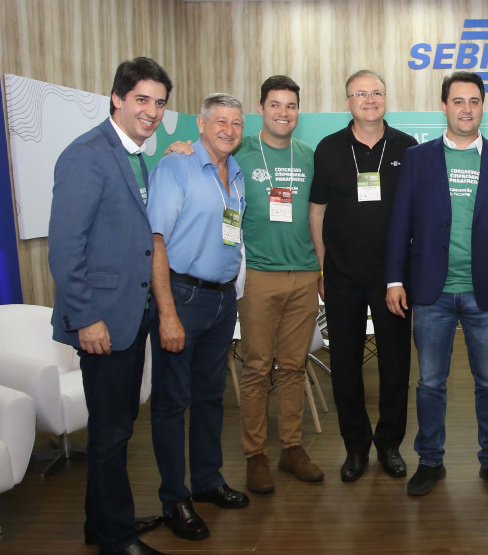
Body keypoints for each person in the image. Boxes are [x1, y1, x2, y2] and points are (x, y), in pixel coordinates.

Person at [166, 76, 325, 494]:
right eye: (275, 105)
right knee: (256, 368)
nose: (283, 113)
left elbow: (318, 216)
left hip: (304, 274)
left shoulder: (309, 156)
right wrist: (179, 147)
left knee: (294, 367)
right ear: (261, 109)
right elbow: (202, 157)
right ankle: (255, 454)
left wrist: (322, 271)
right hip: (256, 275)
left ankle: (291, 448)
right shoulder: (239, 151)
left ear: (298, 111)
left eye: (291, 105)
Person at [385, 71, 488, 497]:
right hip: (431, 291)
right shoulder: (418, 158)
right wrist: (394, 279)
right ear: (444, 106)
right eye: (458, 101)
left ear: (483, 106)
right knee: (430, 383)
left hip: (485, 292)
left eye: (474, 101)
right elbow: (400, 223)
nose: (466, 109)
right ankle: (430, 460)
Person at [48, 56, 172, 555]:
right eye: (141, 99)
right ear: (117, 98)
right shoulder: (86, 155)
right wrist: (86, 318)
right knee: (111, 433)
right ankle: (118, 541)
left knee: (115, 428)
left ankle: (99, 523)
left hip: (130, 315)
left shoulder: (135, 155)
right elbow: (65, 249)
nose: (152, 112)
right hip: (101, 321)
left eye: (159, 103)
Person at [147, 93, 249, 542]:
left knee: (211, 397)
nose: (228, 129)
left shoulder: (236, 173)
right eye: (220, 121)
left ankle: (208, 480)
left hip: (222, 299)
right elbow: (156, 241)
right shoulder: (176, 167)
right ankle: (175, 498)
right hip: (182, 296)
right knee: (172, 403)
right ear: (201, 125)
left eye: (236, 123)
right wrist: (167, 313)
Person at [310, 70, 417, 482]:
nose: (369, 100)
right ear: (348, 101)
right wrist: (323, 266)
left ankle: (389, 445)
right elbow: (317, 210)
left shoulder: (407, 147)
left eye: (376, 93)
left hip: (393, 279)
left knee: (395, 365)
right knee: (345, 365)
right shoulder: (329, 148)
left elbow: (417, 212)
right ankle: (355, 447)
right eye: (361, 94)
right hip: (342, 277)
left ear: (385, 98)